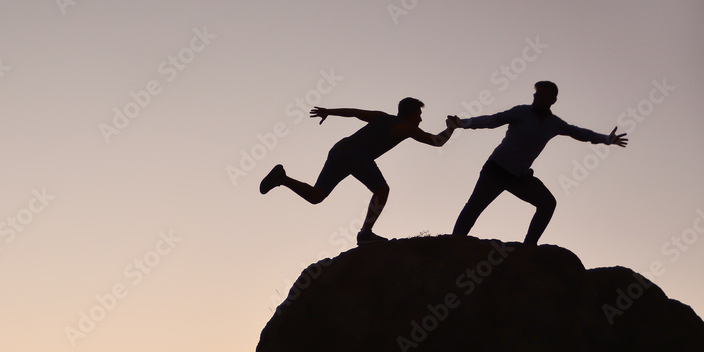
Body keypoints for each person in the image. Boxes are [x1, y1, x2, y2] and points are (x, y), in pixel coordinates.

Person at [259, 98, 458, 245]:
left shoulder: (382, 117)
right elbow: (437, 142)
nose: (421, 120)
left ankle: (282, 178)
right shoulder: (406, 127)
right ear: (411, 113)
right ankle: (365, 234)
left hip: (340, 149)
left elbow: (355, 112)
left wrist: (329, 111)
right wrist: (452, 127)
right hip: (355, 153)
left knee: (316, 196)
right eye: (419, 115)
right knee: (382, 190)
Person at [451, 81, 628, 245]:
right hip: (496, 169)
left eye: (543, 97)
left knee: (548, 204)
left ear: (553, 101)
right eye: (536, 96)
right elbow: (493, 120)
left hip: (519, 176)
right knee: (474, 207)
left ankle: (528, 247)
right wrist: (464, 123)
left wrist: (606, 139)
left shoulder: (554, 124)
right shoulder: (521, 112)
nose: (538, 99)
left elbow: (579, 133)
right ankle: (453, 243)